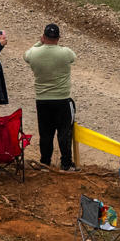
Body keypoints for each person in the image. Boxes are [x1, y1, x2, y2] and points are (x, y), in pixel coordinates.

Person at [23, 23, 77, 171]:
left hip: (42, 99)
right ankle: (66, 164)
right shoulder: (65, 52)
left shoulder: (34, 53)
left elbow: (26, 55)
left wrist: (40, 42)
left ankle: (45, 163)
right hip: (62, 99)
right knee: (64, 133)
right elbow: (74, 58)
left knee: (46, 133)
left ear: (44, 36)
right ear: (58, 38)